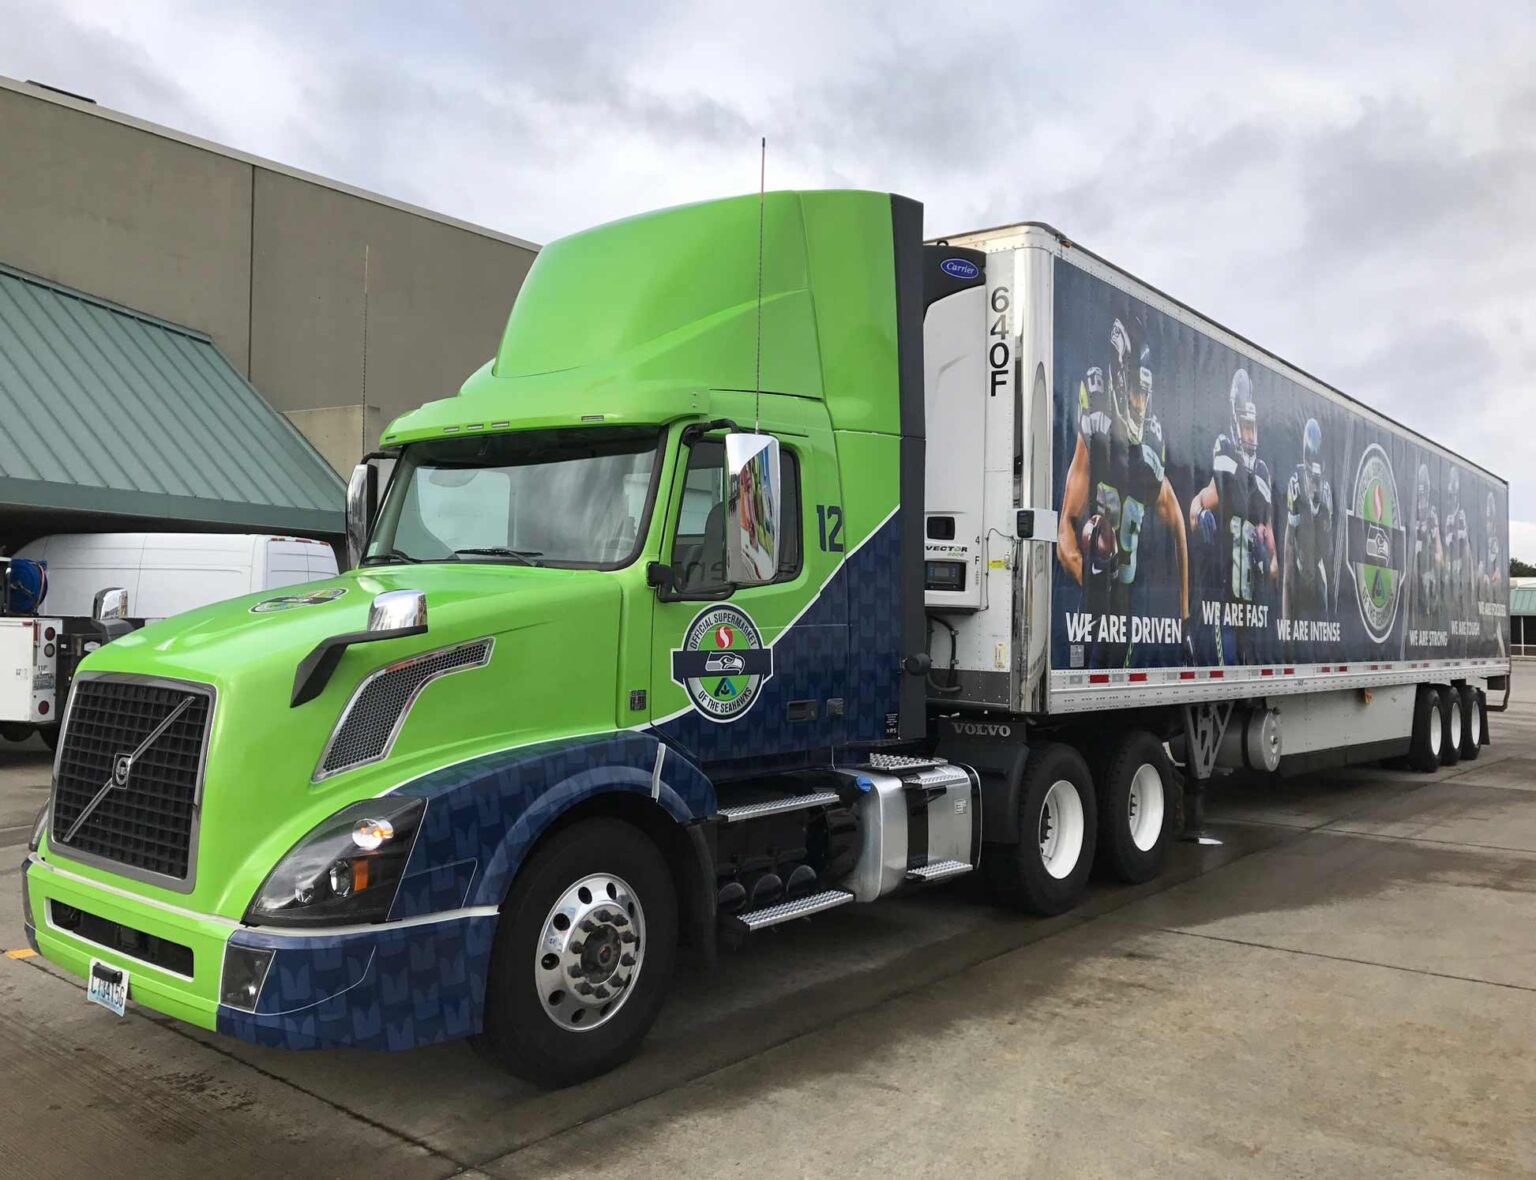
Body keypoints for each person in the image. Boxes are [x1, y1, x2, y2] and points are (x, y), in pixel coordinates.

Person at [1058, 315, 1192, 668]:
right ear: (1118, 381)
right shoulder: (1097, 428)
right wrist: (1091, 576)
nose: (1138, 403)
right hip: (1092, 607)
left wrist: (1185, 615)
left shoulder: (1151, 449)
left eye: (1143, 393)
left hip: (1129, 611)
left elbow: (1177, 521)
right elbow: (1064, 535)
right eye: (1133, 391)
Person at [1188, 368, 1277, 665]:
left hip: (1249, 607)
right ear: (1234, 423)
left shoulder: (1263, 475)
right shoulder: (1226, 458)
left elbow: (1273, 552)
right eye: (1245, 427)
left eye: (1253, 428)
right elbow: (1196, 505)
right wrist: (1202, 515)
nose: (1250, 435)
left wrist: (1268, 554)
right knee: (1224, 666)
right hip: (1222, 602)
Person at [1281, 417, 1333, 661]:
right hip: (1301, 581)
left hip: (1318, 581)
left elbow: (1329, 554)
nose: (1314, 484)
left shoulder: (1326, 493)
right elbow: (1289, 555)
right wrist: (1287, 629)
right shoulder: (1296, 487)